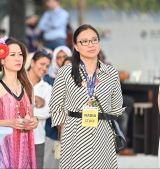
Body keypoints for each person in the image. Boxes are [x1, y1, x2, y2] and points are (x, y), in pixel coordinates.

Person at [48, 24, 124, 168]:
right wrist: (64, 128)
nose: (91, 44)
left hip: (102, 132)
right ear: (76, 46)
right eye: (84, 41)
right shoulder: (66, 72)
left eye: (94, 40)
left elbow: (116, 106)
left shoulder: (111, 73)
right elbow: (55, 105)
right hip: (74, 132)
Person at [0, 37, 38, 168]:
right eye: (12, 55)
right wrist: (9, 123)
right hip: (2, 149)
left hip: (25, 148)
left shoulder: (28, 86)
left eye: (20, 55)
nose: (18, 59)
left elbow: (31, 115)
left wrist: (34, 121)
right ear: (1, 59)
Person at [99, 50, 135, 156]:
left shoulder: (107, 67)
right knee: (123, 116)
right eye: (100, 57)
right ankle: (122, 145)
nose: (102, 59)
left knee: (129, 101)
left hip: (111, 100)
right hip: (99, 102)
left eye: (103, 57)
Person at [42, 46, 71, 169]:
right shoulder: (48, 80)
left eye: (64, 57)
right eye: (58, 58)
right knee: (51, 161)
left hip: (72, 127)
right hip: (51, 128)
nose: (61, 61)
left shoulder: (81, 81)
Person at [27, 50, 52, 169]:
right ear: (32, 63)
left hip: (37, 139)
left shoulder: (47, 88)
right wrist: (34, 100)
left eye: (47, 66)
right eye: (42, 64)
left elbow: (48, 111)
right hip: (15, 137)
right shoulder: (17, 82)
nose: (44, 68)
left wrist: (26, 113)